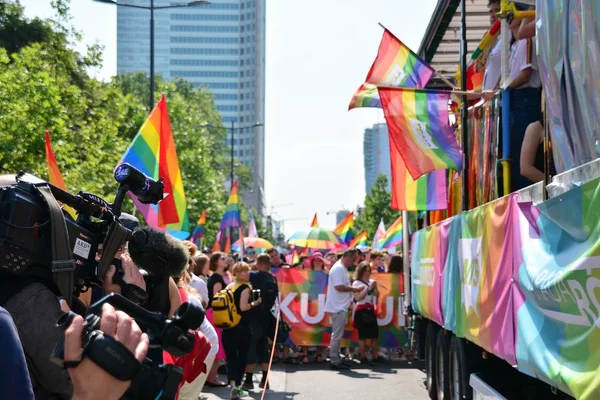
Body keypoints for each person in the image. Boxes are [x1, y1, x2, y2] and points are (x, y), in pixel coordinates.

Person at [507, 2, 542, 191]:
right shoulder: (515, 46)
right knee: (514, 154)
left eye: (512, 12)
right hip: (519, 100)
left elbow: (525, 74)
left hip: (526, 99)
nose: (508, 17)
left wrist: (504, 89)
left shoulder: (526, 40)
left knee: (523, 154)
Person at [222, 262, 261, 399]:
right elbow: (243, 307)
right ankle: (236, 386)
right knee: (241, 358)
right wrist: (254, 303)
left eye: (247, 270)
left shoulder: (229, 286)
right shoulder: (244, 288)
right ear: (236, 273)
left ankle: (232, 385)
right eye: (243, 271)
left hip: (227, 327)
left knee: (231, 358)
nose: (247, 273)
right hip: (241, 328)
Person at [243, 254, 279, 391]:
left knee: (251, 348)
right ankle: (265, 380)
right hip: (266, 317)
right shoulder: (273, 278)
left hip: (252, 316)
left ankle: (248, 381)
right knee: (263, 348)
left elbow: (241, 279)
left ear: (258, 263)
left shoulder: (253, 275)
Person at [324, 249, 362, 370]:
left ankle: (336, 358)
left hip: (341, 306)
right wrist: (354, 289)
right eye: (353, 259)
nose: (354, 262)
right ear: (348, 257)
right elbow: (338, 286)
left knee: (337, 334)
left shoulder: (341, 268)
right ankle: (334, 360)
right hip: (338, 307)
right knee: (337, 335)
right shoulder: (338, 269)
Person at [205, 252, 229, 388]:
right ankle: (212, 378)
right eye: (222, 258)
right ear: (215, 262)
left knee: (216, 345)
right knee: (216, 346)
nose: (225, 259)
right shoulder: (217, 278)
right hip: (215, 313)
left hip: (213, 313)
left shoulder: (217, 277)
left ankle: (212, 377)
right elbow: (217, 299)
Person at [352, 262, 382, 364]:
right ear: (361, 271)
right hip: (361, 309)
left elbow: (376, 296)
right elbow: (357, 298)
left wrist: (375, 288)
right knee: (363, 336)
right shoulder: (356, 283)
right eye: (365, 271)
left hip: (370, 309)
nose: (367, 273)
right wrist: (367, 289)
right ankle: (363, 356)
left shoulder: (371, 281)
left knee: (374, 335)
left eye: (369, 271)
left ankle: (375, 355)